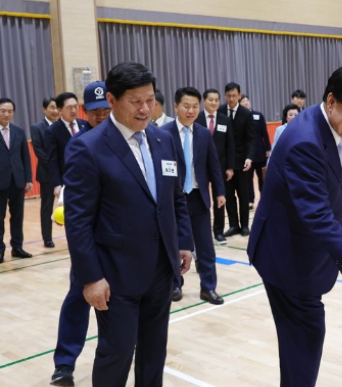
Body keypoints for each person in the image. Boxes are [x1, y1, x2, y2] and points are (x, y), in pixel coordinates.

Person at [247, 63, 342, 387]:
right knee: (305, 337)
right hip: (287, 256)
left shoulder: (327, 127)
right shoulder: (306, 141)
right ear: (331, 101)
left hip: (301, 250)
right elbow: (316, 215)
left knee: (299, 344)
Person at [63, 62, 193, 387]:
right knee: (117, 354)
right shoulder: (88, 148)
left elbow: (175, 197)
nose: (145, 108)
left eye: (149, 99)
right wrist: (91, 278)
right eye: (135, 101)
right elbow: (78, 222)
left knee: (154, 354)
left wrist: (184, 241)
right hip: (115, 278)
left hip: (161, 272)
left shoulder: (164, 140)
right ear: (112, 100)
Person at [49, 81, 111, 387]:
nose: (101, 116)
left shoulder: (124, 138)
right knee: (77, 298)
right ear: (86, 111)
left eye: (106, 110)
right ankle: (64, 364)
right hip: (88, 240)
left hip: (120, 238)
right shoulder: (80, 143)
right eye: (96, 111)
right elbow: (70, 189)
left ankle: (120, 352)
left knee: (121, 303)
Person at [164, 87, 226, 305]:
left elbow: (214, 165)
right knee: (173, 245)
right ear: (176, 106)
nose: (191, 111)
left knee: (205, 247)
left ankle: (208, 288)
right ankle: (174, 285)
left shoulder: (203, 133)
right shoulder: (164, 133)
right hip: (173, 199)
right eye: (186, 106)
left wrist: (219, 191)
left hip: (198, 196)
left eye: (194, 107)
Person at [196, 88, 235, 245]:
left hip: (221, 167)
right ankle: (202, 231)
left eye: (216, 100)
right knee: (201, 199)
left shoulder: (225, 120)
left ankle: (218, 231)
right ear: (204, 101)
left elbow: (230, 145)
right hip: (200, 166)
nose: (213, 102)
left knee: (220, 198)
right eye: (210, 99)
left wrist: (230, 167)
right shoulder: (196, 119)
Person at [218, 82, 255, 237]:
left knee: (243, 195)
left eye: (234, 95)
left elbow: (251, 139)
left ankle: (245, 225)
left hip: (241, 163)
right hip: (225, 163)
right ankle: (233, 225)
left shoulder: (246, 114)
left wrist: (249, 157)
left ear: (239, 95)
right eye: (229, 96)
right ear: (225, 96)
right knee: (229, 195)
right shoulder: (220, 112)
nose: (231, 98)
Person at [0, 97, 33, 263]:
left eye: (9, 111)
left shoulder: (19, 131)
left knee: (17, 216)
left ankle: (17, 247)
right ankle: (0, 250)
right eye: (3, 111)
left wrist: (28, 179)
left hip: (17, 180)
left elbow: (25, 157)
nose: (6, 114)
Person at [44, 92, 87, 200]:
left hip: (88, 177)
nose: (73, 110)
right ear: (60, 110)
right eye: (69, 108)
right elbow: (52, 160)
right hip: (67, 180)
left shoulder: (85, 125)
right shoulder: (52, 131)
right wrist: (57, 184)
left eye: (75, 107)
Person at [30, 97, 59, 248]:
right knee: (47, 206)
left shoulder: (62, 126)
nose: (55, 111)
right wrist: (56, 166)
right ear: (44, 110)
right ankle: (47, 238)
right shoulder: (37, 128)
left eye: (56, 108)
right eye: (52, 107)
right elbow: (39, 152)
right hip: (47, 173)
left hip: (65, 173)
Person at [240, 95, 270, 209]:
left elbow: (264, 133)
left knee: (262, 177)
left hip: (260, 151)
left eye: (247, 100)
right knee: (247, 179)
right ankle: (250, 201)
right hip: (245, 154)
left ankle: (264, 198)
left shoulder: (258, 115)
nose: (246, 103)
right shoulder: (239, 117)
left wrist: (268, 149)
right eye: (243, 101)